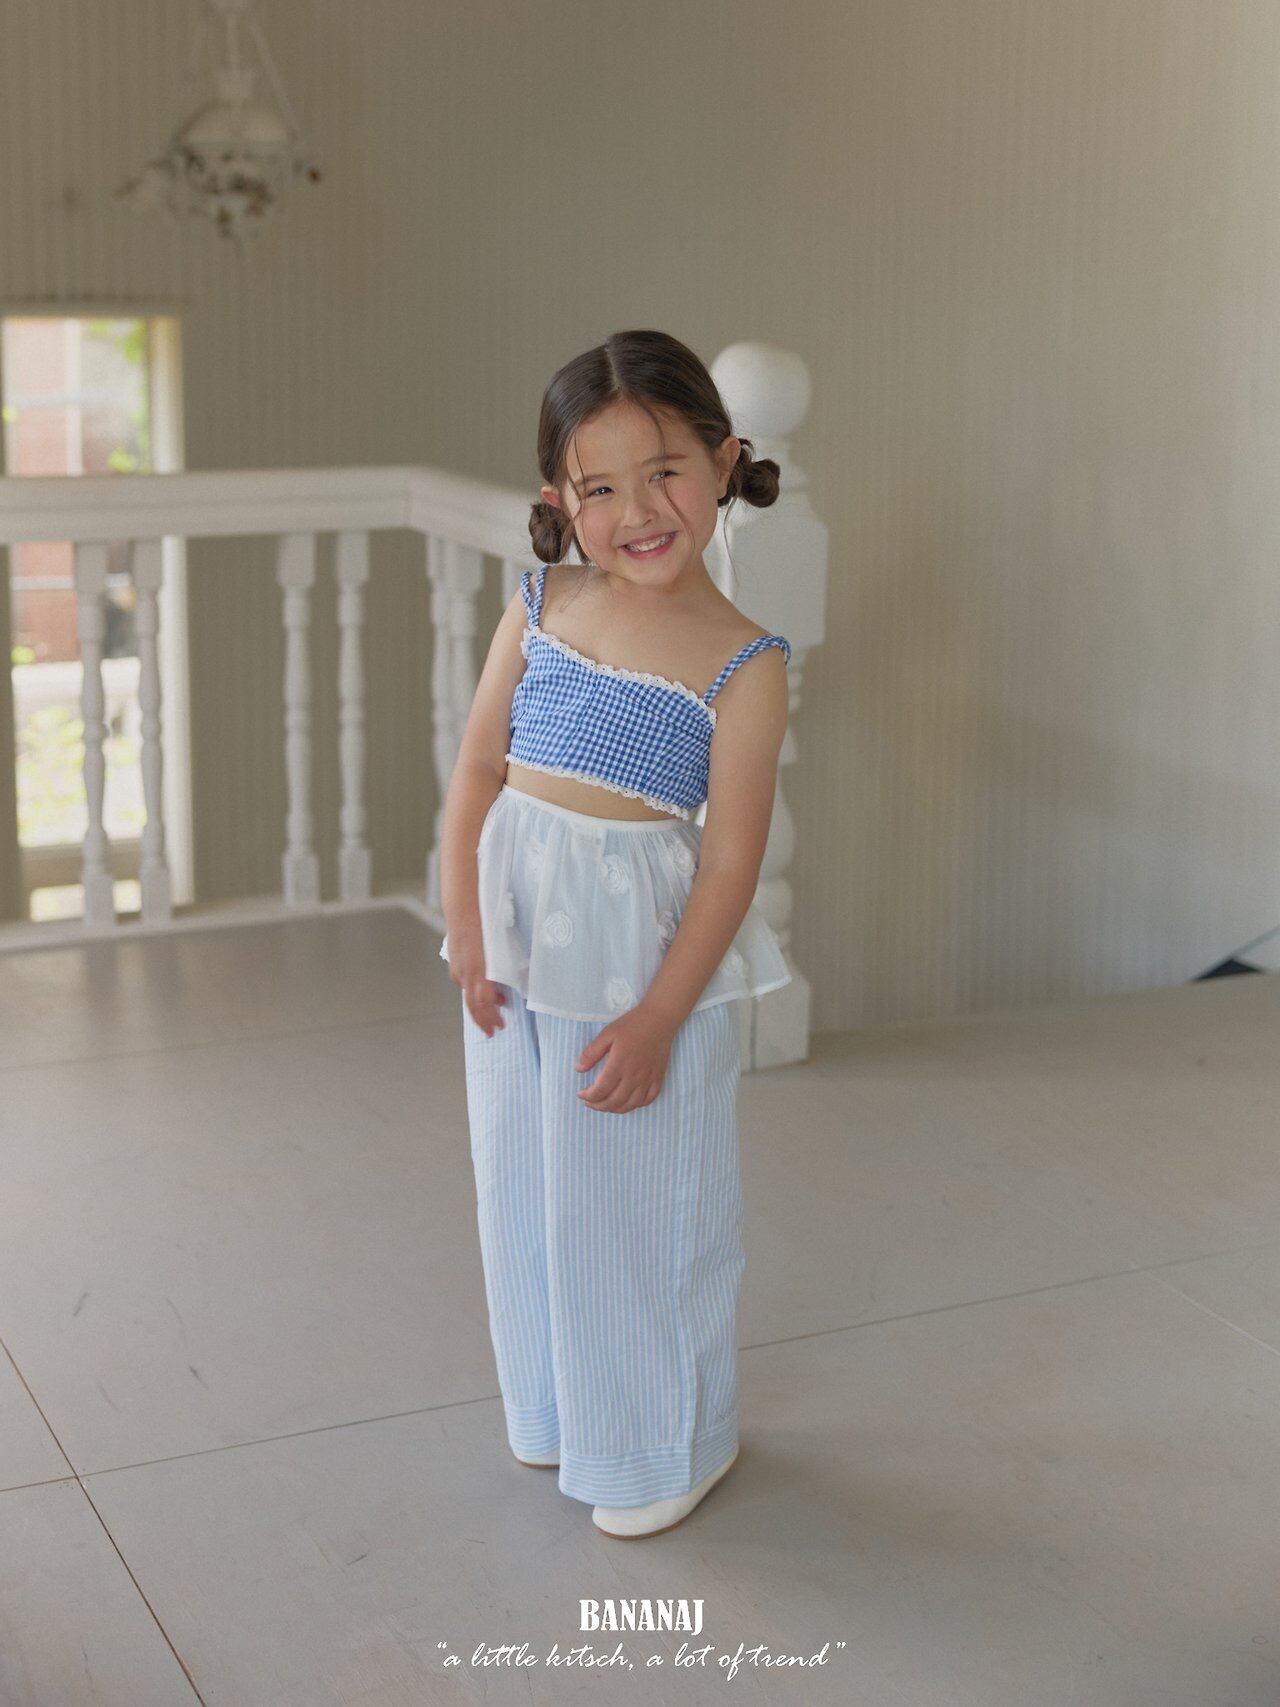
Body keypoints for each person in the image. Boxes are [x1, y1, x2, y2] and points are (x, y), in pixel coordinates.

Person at [438, 328, 793, 1539]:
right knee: (526, 1189)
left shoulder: (743, 663)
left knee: (640, 1208)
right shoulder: (541, 605)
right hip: (515, 955)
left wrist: (656, 1017)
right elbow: (477, 770)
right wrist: (465, 932)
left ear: (723, 461)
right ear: (559, 500)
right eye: (598, 488)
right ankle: (557, 1408)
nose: (637, 512)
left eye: (665, 472)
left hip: (635, 968)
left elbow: (730, 861)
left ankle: (662, 1445)